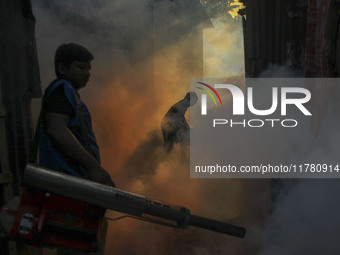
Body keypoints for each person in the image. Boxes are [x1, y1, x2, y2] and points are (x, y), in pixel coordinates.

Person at [38, 43, 115, 187]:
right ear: (62, 68)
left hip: (73, 180)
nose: (87, 73)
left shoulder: (71, 94)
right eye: (81, 67)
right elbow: (57, 131)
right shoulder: (62, 88)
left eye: (88, 68)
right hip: (66, 181)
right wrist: (94, 168)